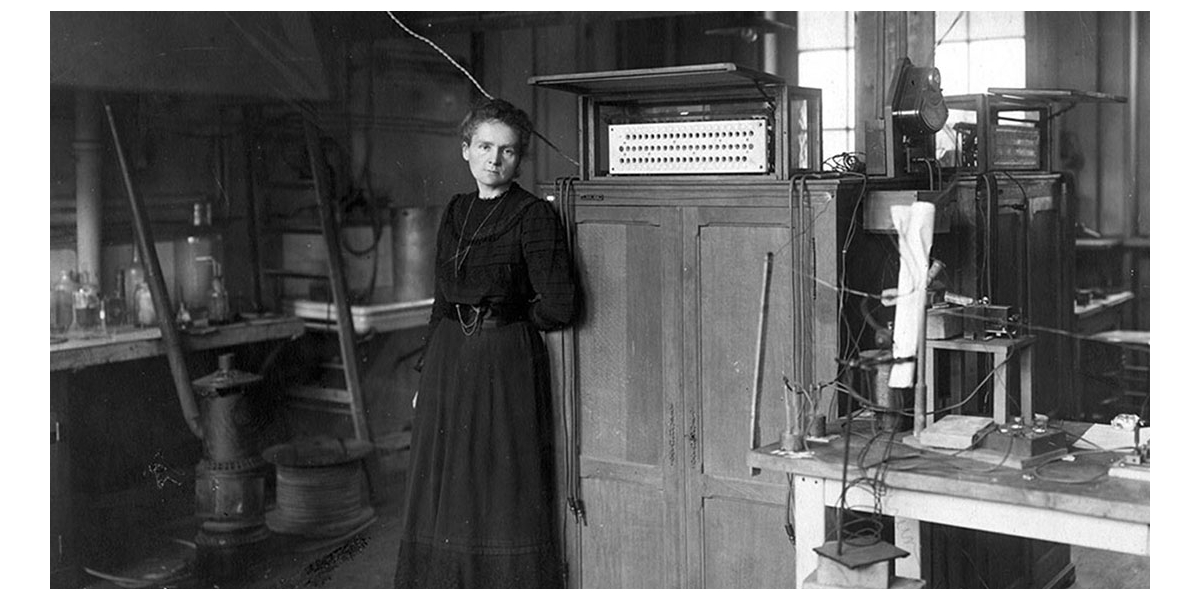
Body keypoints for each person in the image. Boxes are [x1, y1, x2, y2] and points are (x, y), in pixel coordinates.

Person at [393, 98, 578, 588]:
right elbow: (440, 298)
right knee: (445, 487)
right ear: (466, 150)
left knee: (497, 485)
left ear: (520, 159)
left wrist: (508, 318)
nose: (495, 160)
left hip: (504, 361)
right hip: (449, 362)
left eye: (509, 151)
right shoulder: (455, 211)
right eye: (485, 147)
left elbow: (561, 305)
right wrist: (426, 370)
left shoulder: (534, 215)